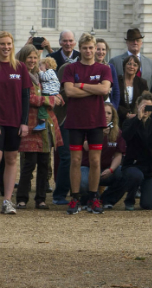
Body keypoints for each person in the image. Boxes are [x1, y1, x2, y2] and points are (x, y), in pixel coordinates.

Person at [61, 32, 114, 215]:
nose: (88, 51)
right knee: (75, 160)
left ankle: (94, 197)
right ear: (80, 49)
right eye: (85, 48)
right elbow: (69, 92)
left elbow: (105, 89)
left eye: (91, 48)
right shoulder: (71, 68)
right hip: (75, 120)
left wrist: (81, 85)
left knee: (94, 160)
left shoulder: (103, 69)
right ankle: (75, 198)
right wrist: (94, 90)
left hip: (96, 121)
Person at [16, 45, 63, 210]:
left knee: (44, 163)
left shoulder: (39, 75)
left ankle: (41, 199)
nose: (32, 60)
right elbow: (29, 98)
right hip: (30, 124)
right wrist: (50, 100)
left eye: (35, 57)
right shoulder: (21, 76)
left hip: (44, 125)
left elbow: (48, 91)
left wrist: (56, 96)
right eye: (29, 57)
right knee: (29, 164)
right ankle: (21, 198)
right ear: (23, 58)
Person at [100, 92, 152, 211]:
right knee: (136, 176)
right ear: (137, 105)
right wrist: (138, 118)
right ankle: (128, 199)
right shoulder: (129, 122)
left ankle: (140, 193)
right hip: (132, 166)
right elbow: (126, 136)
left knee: (148, 205)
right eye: (143, 106)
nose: (146, 110)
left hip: (150, 169)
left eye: (149, 107)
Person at [0, 33, 31, 214]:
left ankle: (7, 201)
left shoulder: (19, 67)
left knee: (12, 160)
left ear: (13, 45)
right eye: (2, 44)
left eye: (9, 44)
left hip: (14, 121)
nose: (6, 47)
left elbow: (25, 96)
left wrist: (24, 122)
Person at [93, 104, 124, 209]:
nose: (106, 116)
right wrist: (100, 135)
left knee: (123, 173)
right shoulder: (91, 129)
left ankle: (107, 199)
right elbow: (86, 147)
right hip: (90, 168)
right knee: (83, 180)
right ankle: (89, 198)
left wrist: (111, 169)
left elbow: (118, 155)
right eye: (103, 112)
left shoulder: (117, 132)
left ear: (113, 116)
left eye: (109, 113)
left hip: (107, 169)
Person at [116, 55, 150, 121]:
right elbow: (113, 100)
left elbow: (146, 101)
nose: (131, 67)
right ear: (124, 65)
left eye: (135, 65)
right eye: (129, 64)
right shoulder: (117, 80)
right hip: (119, 117)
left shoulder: (142, 82)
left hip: (137, 117)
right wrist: (126, 114)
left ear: (138, 68)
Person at [95, 38, 121, 108]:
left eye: (103, 49)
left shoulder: (111, 67)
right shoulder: (89, 67)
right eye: (98, 49)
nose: (101, 52)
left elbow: (116, 90)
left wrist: (114, 108)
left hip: (109, 106)